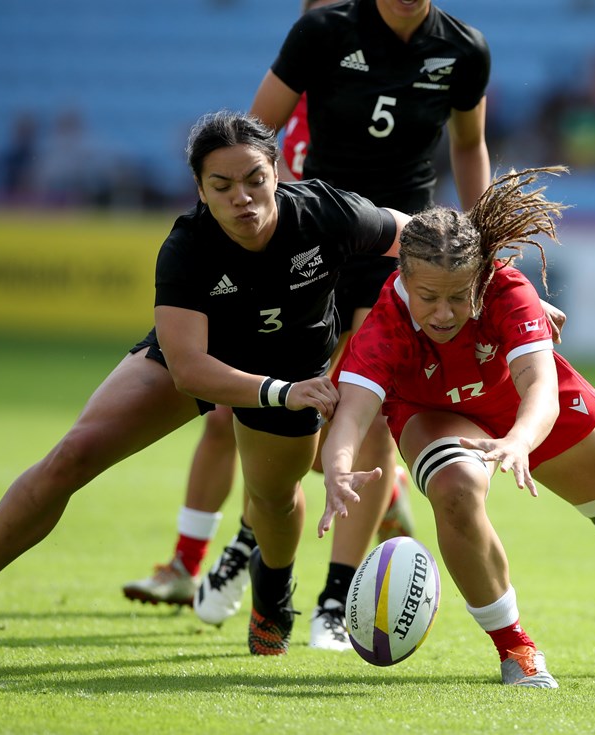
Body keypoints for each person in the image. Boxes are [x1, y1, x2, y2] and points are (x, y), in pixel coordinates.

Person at [0, 110, 412, 656]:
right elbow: (188, 369)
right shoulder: (188, 245)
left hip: (290, 366)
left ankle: (274, 591)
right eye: (222, 185)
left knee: (273, 499)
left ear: (277, 173)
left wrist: (503, 288)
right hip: (213, 362)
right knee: (71, 456)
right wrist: (280, 392)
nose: (243, 197)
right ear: (200, 190)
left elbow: (425, 239)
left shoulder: (326, 212)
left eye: (255, 179)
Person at [318, 167, 595, 687]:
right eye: (428, 297)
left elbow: (541, 391)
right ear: (404, 281)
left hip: (521, 409)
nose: (443, 313)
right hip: (431, 410)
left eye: (458, 297)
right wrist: (338, 468)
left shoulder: (509, 288)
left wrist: (519, 441)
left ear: (482, 280)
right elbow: (351, 413)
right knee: (456, 488)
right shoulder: (386, 320)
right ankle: (516, 649)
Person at [190, 0, 496, 651]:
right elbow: (254, 133)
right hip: (317, 236)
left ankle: (334, 598)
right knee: (288, 421)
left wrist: (482, 247)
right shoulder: (325, 32)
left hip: (398, 244)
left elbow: (468, 145)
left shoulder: (463, 50)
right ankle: (250, 536)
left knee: (372, 409)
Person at [121, 0, 416, 618]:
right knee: (235, 419)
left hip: (348, 248)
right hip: (284, 253)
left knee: (349, 413)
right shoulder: (286, 110)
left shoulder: (397, 77)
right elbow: (233, 167)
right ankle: (200, 556)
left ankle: (319, 583)